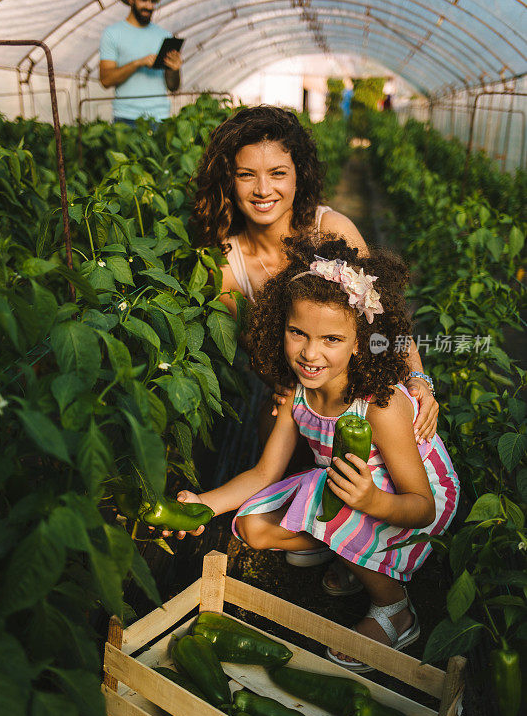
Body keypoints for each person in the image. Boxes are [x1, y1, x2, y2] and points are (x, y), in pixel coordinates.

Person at [175, 236, 459, 670]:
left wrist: (372, 502)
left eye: (331, 339)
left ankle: (396, 610)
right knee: (253, 527)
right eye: (297, 333)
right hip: (350, 486)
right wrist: (203, 505)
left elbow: (421, 506)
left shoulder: (380, 405)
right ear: (280, 326)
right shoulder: (297, 396)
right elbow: (264, 473)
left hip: (412, 498)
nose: (310, 353)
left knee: (328, 495)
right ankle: (345, 549)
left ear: (360, 342)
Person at [191, 106, 439, 477]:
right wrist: (284, 387)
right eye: (246, 175)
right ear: (229, 180)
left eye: (278, 174)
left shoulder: (331, 229)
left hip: (363, 383)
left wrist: (419, 379)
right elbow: (258, 354)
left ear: (298, 177)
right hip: (302, 386)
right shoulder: (226, 265)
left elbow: (384, 321)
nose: (262, 190)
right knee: (274, 425)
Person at [99, 0, 181, 125]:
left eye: (152, 1)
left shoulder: (164, 36)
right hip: (126, 117)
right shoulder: (112, 33)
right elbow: (106, 80)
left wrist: (174, 69)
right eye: (144, 0)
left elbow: (173, 87)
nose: (149, 6)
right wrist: (137, 63)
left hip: (160, 117)